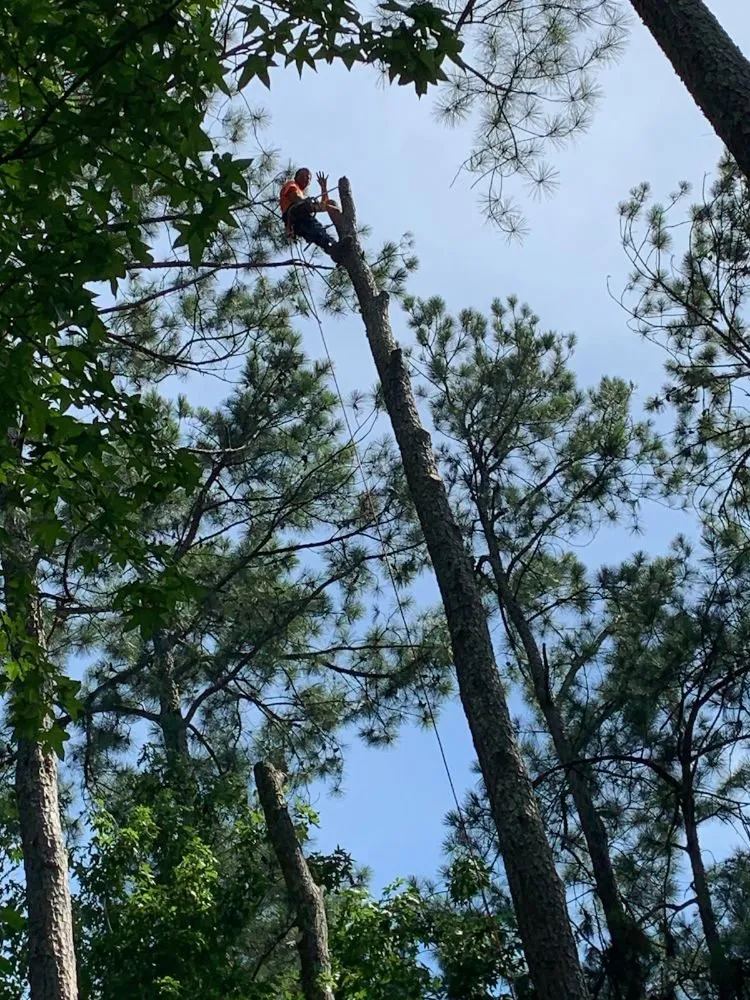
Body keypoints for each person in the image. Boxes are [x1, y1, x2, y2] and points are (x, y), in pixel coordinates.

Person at [279, 168, 344, 261]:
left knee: (317, 233)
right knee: (315, 229)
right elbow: (294, 197)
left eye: (308, 178)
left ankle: (334, 250)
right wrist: (306, 203)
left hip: (299, 221)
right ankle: (334, 247)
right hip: (294, 213)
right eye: (303, 176)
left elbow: (322, 207)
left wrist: (323, 187)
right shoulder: (291, 184)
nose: (306, 179)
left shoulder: (302, 196)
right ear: (296, 177)